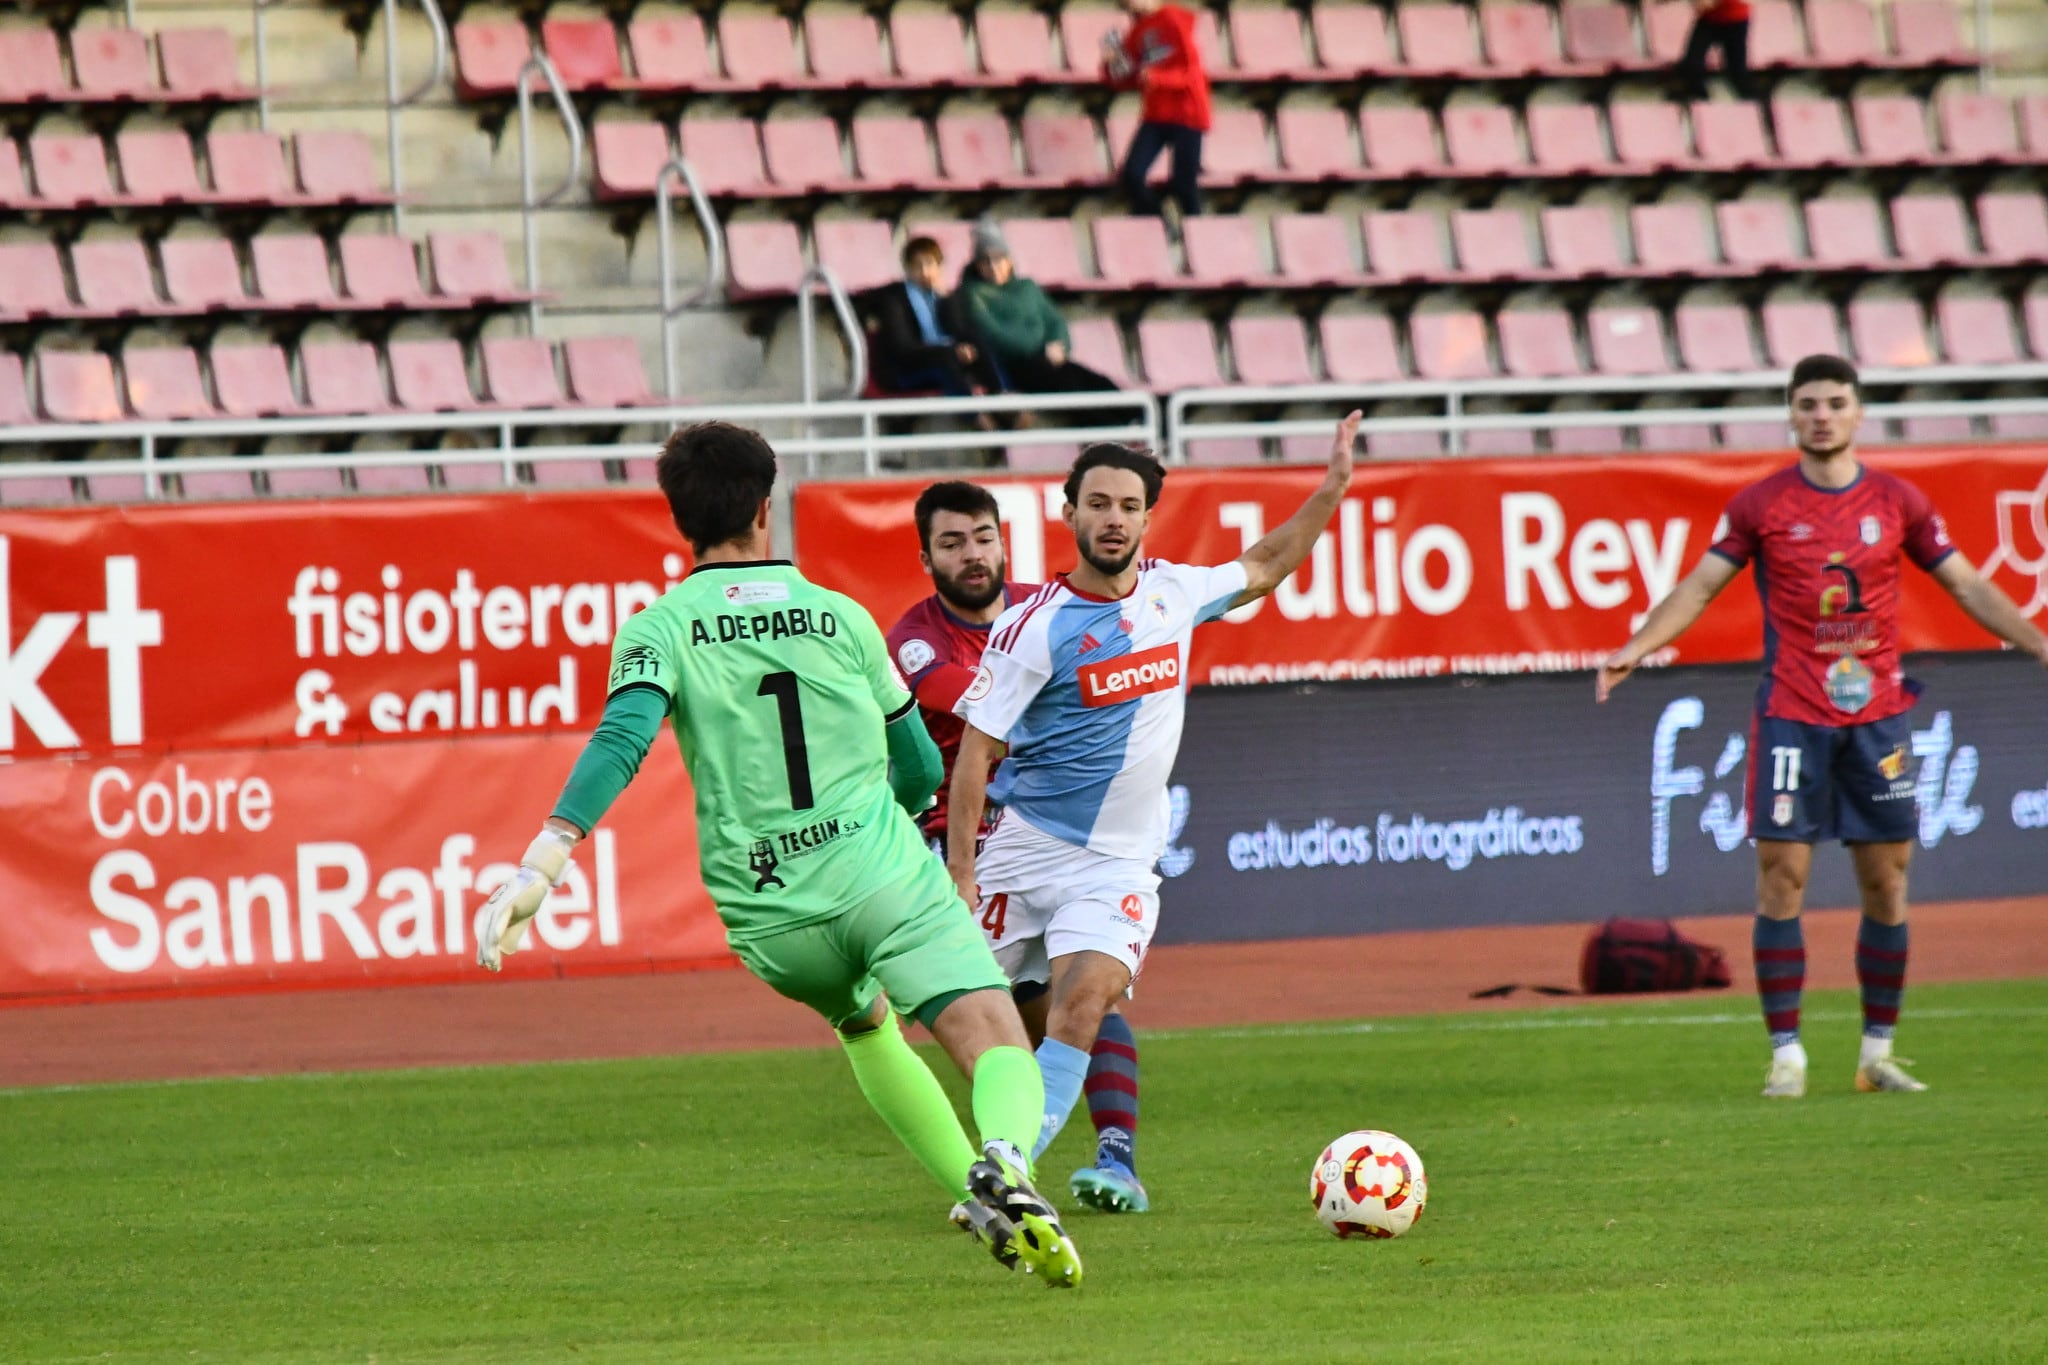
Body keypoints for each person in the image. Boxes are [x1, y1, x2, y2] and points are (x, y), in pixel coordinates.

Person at [470, 422, 1083, 1288]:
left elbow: (623, 736)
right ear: (767, 508)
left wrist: (544, 861)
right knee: (989, 1033)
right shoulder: (842, 618)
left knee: (865, 1024)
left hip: (771, 915)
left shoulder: (660, 627)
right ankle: (1006, 1161)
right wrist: (896, 824)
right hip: (879, 874)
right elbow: (915, 765)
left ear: (682, 519)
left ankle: (984, 1204)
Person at [1596, 355, 2048, 1099]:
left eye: (1836, 402)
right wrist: (1636, 648)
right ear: (1790, 413)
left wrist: (2035, 639)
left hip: (1879, 717)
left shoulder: (1897, 499)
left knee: (1888, 881)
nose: (1822, 415)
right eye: (1808, 403)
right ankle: (1787, 1056)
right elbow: (1703, 583)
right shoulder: (1761, 505)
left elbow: (1964, 579)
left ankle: (1876, 1054)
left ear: (1858, 412)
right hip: (1793, 714)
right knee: (1783, 879)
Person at [945, 412, 1364, 1183]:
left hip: (1118, 865)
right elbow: (977, 754)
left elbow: (1267, 562)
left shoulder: (1175, 595)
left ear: (1147, 516)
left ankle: (1011, 1171)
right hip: (1025, 850)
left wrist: (1332, 485)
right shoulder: (1030, 627)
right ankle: (1014, 1136)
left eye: (1128, 505)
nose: (1113, 519)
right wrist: (963, 871)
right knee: (949, 1013)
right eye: (1097, 503)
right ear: (1067, 512)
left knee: (1087, 998)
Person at [885, 480, 1151, 1215]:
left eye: (981, 538)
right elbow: (986, 702)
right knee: (998, 1016)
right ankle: (1011, 1152)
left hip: (1051, 836)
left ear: (1004, 541)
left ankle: (1113, 1158)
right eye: (951, 543)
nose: (971, 555)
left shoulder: (1047, 610)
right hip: (957, 850)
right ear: (927, 557)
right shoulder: (914, 641)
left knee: (1090, 990)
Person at [953, 218, 1122, 419]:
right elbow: (994, 334)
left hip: (1048, 360)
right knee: (1070, 389)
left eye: (998, 258)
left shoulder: (1027, 287)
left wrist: (1059, 344)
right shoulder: (973, 294)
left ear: (1009, 260)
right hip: (1017, 367)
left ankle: (1136, 425)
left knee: (1097, 382)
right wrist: (1039, 344)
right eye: (985, 261)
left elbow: (1055, 321)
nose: (993, 266)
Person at [1103, 0, 1211, 228]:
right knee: (1132, 176)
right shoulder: (1138, 31)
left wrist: (1156, 78)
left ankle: (1200, 237)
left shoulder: (1172, 18)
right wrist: (1111, 63)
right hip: (1156, 115)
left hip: (1187, 113)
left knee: (1184, 186)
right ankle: (1159, 225)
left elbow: (1191, 72)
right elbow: (1125, 78)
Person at [860, 236, 1001, 401]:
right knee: (946, 363)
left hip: (945, 359)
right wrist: (951, 351)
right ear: (907, 268)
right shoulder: (895, 297)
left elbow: (960, 330)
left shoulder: (947, 296)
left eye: (930, 264)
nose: (925, 272)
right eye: (917, 266)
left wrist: (946, 300)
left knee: (979, 346)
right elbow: (903, 348)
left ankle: (1002, 399)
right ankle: (980, 419)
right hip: (907, 369)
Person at [1676, 0, 1756, 103]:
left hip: (1736, 18)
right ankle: (1699, 99)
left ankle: (1751, 103)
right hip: (1709, 18)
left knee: (1737, 71)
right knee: (1692, 63)